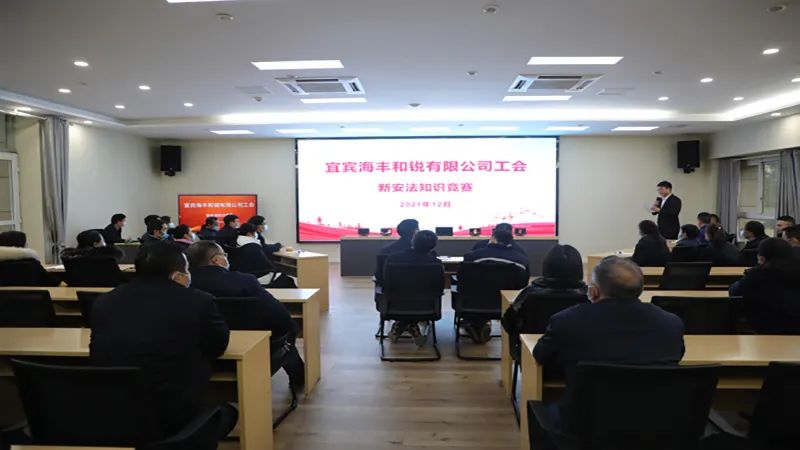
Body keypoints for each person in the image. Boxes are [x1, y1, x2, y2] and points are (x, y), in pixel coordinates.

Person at [89, 242, 237, 444]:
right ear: (176, 274)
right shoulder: (198, 301)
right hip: (174, 416)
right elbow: (218, 345)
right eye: (186, 270)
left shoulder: (104, 301)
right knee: (227, 413)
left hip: (112, 414)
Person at [531, 256, 684, 435]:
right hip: (657, 425)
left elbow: (541, 354)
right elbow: (677, 356)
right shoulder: (671, 324)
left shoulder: (566, 321)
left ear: (594, 291)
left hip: (585, 425)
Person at [187, 241, 297, 344]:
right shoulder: (245, 281)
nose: (226, 258)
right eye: (224, 255)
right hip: (252, 343)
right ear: (216, 260)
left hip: (200, 345)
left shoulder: (185, 286)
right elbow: (279, 315)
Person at [501, 245, 587, 360]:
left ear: (546, 267)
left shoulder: (530, 293)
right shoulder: (588, 296)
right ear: (579, 269)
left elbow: (508, 322)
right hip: (579, 357)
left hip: (535, 354)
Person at [459, 228, 530, 343]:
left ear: (493, 238)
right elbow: (522, 284)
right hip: (505, 304)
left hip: (472, 304)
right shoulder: (522, 261)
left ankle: (476, 324)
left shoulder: (471, 257)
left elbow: (462, 280)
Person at [383, 230, 444, 346]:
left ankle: (402, 324)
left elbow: (386, 284)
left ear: (413, 241)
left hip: (395, 306)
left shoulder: (392, 258)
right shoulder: (435, 263)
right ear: (433, 246)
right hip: (426, 307)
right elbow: (439, 288)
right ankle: (411, 324)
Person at [730, 238, 800, 334]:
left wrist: (757, 267)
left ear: (762, 257)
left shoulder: (757, 273)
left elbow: (734, 291)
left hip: (764, 328)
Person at [374, 218, 419, 286]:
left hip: (392, 290)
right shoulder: (424, 252)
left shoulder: (386, 250)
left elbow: (379, 276)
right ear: (415, 232)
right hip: (419, 289)